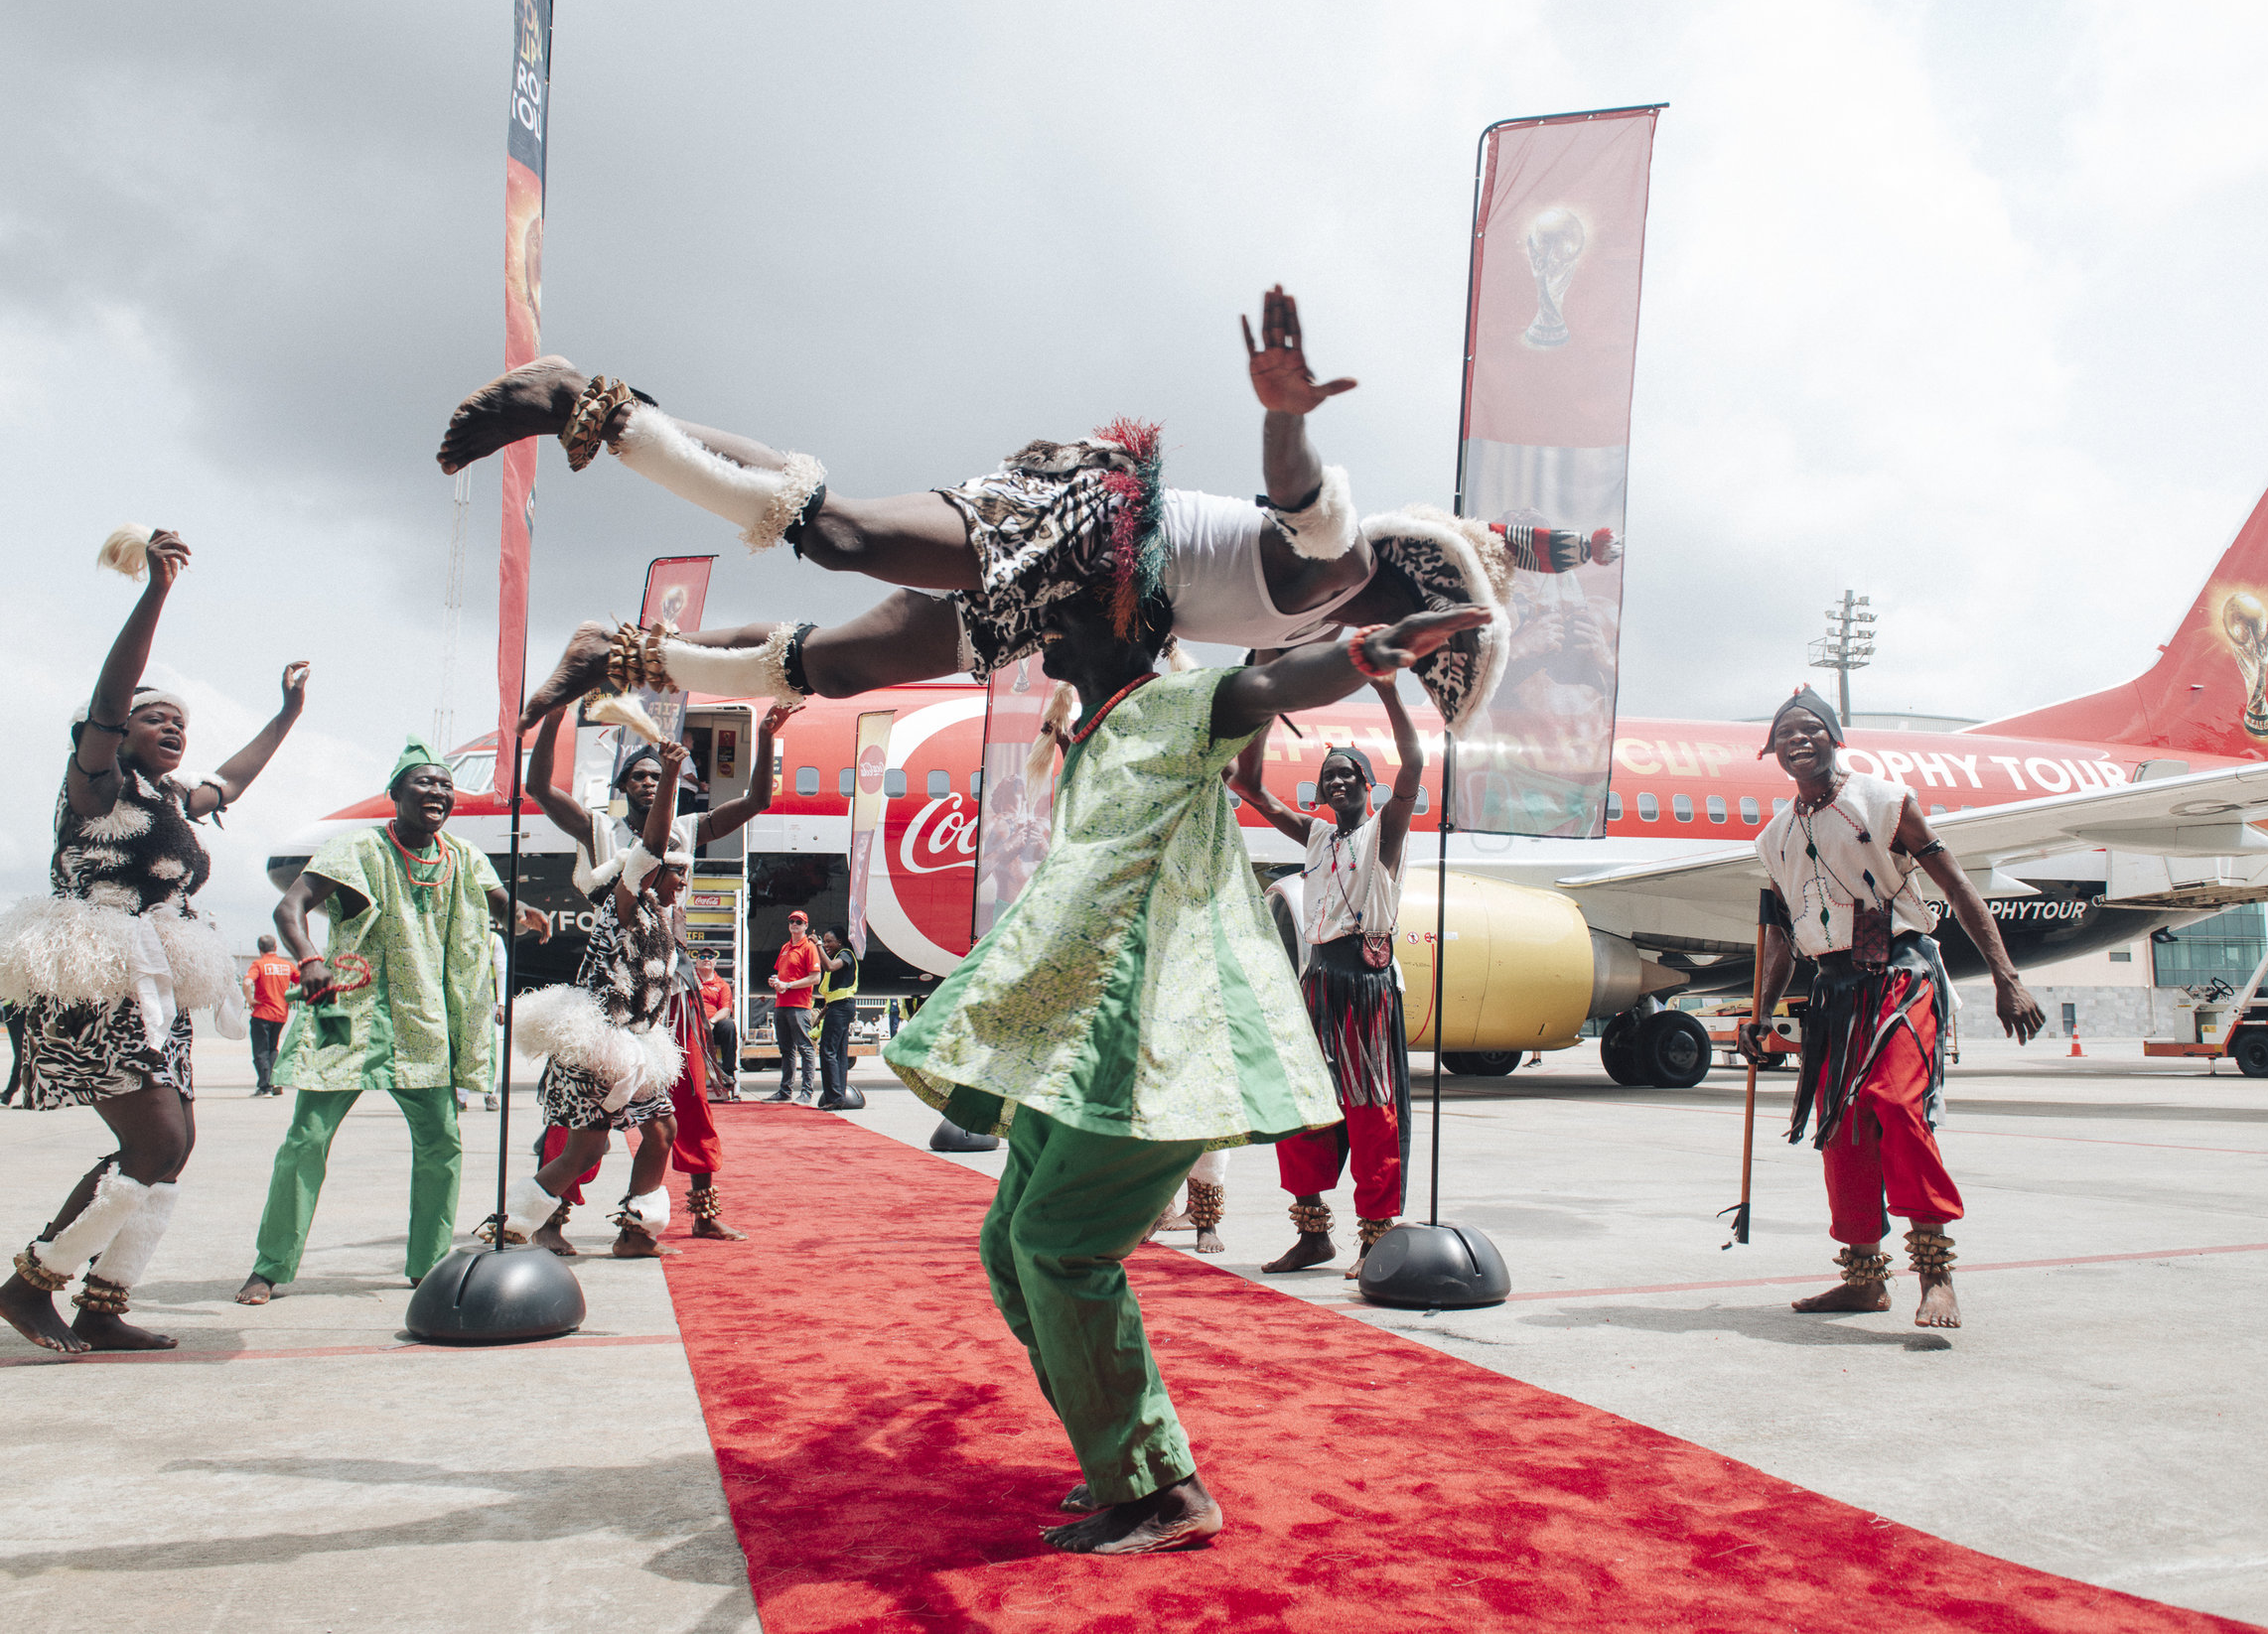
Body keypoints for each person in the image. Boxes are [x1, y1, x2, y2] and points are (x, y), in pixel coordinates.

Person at [886, 565, 1489, 1555]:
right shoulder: (1092, 735)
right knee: (1011, 1250)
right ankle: (1118, 1458)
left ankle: (1162, 1490)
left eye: (1067, 613)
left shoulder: (1175, 702)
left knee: (1059, 1247)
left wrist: (1371, 651)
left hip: (1149, 1039)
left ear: (1127, 625)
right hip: (1070, 1042)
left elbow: (1268, 688)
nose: (1047, 632)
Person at [435, 288, 1513, 746]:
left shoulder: (1319, 629)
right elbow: (1306, 502)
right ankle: (579, 403)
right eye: (1422, 640)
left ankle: (621, 654)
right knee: (844, 537)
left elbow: (1281, 687)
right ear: (1409, 587)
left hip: (1089, 607)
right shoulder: (1340, 568)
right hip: (1090, 525)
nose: (1410, 655)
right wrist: (1284, 415)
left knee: (835, 669)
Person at [0, 529, 308, 1353]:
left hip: (153, 990)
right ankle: (30, 1286)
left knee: (174, 1146)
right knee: (157, 1139)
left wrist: (287, 714)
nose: (172, 725)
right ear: (114, 730)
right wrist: (157, 592)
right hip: (97, 981)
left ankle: (103, 1303)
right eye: (154, 716)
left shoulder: (167, 797)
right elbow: (106, 701)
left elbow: (230, 781)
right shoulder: (95, 783)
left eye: (180, 720)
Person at [1736, 688, 2045, 1330]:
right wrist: (1760, 1015)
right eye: (1785, 733)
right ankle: (1864, 1280)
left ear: (1834, 738)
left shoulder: (1884, 802)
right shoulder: (1774, 837)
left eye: (1811, 728)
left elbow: (1956, 886)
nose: (1798, 739)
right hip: (1833, 993)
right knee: (1842, 1131)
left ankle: (1936, 1277)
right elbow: (1783, 937)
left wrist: (2007, 977)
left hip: (1900, 976)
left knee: (1898, 1106)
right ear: (1771, 751)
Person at [235, 739, 549, 1304]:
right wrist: (308, 959)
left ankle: (427, 1265)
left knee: (441, 1142)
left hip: (421, 1016)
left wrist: (524, 913)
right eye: (425, 782)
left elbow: (501, 906)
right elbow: (290, 907)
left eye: (446, 785)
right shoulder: (355, 848)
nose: (438, 792)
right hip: (342, 1008)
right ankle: (271, 1266)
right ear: (395, 793)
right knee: (307, 1137)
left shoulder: (464, 857)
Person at [521, 703, 792, 1246]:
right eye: (637, 776)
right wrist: (553, 717)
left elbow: (757, 801)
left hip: (671, 988)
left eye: (656, 775)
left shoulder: (687, 829)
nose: (647, 782)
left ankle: (698, 1212)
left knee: (688, 1100)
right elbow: (540, 790)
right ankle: (548, 1217)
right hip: (613, 993)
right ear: (622, 786)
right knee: (580, 1116)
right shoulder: (601, 831)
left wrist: (765, 737)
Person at [1229, 676, 1424, 1279]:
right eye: (1328, 777)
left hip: (1365, 989)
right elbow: (1249, 787)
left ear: (1367, 783)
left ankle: (1376, 1237)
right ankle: (1313, 1234)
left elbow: (1413, 764)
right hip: (1316, 985)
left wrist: (1388, 692)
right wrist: (1258, 707)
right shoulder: (1316, 835)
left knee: (1370, 1112)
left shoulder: (1384, 832)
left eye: (1347, 774)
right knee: (1301, 1107)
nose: (1337, 782)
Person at [496, 743, 697, 1254]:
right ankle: (514, 1225)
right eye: (676, 870)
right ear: (650, 872)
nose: (683, 880)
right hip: (597, 1046)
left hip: (633, 1045)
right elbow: (650, 845)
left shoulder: (660, 917)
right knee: (585, 1150)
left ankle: (635, 1234)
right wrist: (671, 773)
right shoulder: (626, 903)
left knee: (660, 1132)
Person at [767, 910, 824, 1102]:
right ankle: (785, 1091)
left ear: (805, 926)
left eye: (799, 922)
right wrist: (776, 981)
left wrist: (788, 985)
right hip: (781, 1004)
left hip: (799, 1005)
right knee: (786, 1049)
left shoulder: (809, 947)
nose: (794, 924)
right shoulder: (786, 947)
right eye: (792, 921)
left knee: (805, 1048)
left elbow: (815, 978)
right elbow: (782, 973)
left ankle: (806, 1092)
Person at [812, 926, 861, 1110]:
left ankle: (834, 1097)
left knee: (828, 1051)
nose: (826, 945)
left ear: (839, 942)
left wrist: (817, 945)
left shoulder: (845, 955)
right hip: (838, 1006)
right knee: (839, 1053)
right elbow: (834, 994)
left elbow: (830, 967)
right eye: (824, 942)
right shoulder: (839, 955)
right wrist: (821, 1015)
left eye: (829, 941)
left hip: (841, 1008)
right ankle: (838, 1096)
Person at [243, 933, 296, 1098]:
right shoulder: (287, 965)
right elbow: (302, 980)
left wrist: (249, 1000)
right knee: (273, 1048)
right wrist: (292, 996)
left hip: (262, 1014)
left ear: (260, 949)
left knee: (260, 1051)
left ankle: (265, 1087)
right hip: (281, 1014)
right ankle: (274, 1082)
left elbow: (246, 982)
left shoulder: (259, 964)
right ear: (275, 947)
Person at [695, 950, 739, 1089]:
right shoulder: (689, 981)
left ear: (715, 962)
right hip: (693, 1024)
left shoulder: (722, 985)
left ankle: (728, 1072)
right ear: (697, 961)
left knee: (729, 1026)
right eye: (702, 957)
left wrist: (711, 1022)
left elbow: (725, 1010)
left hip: (712, 1026)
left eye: (710, 957)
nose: (706, 959)